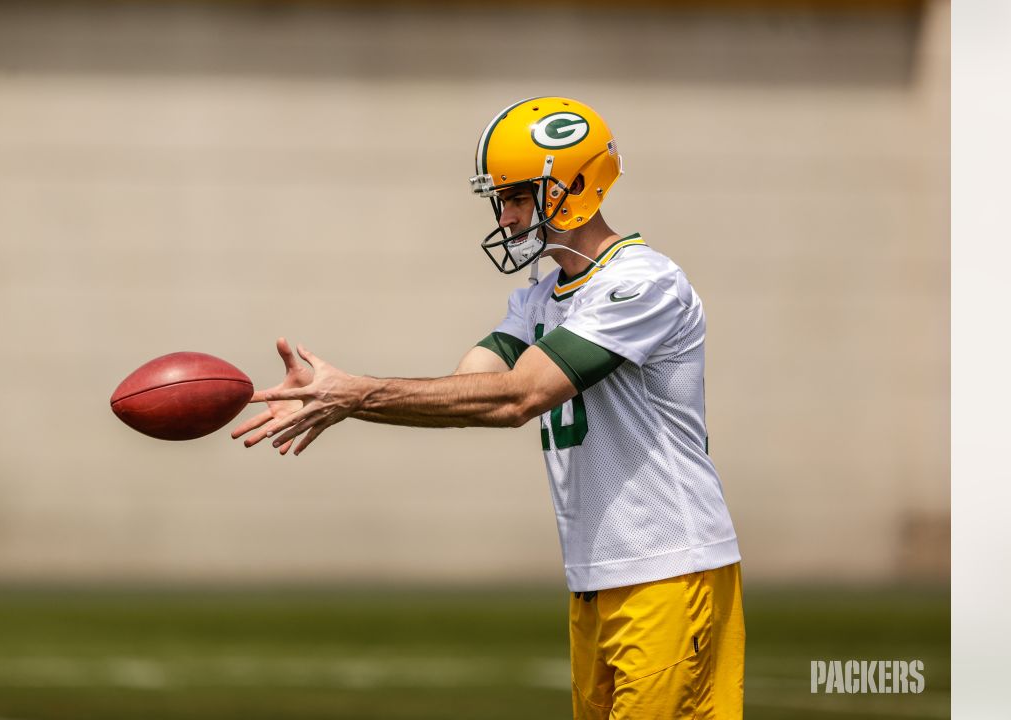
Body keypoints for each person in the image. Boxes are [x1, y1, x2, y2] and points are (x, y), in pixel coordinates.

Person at [234, 97, 744, 718]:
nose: (505, 217)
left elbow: (517, 397)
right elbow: (465, 393)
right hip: (599, 576)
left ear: (573, 187)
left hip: (669, 570)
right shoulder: (538, 299)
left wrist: (356, 392)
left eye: (517, 197)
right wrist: (336, 396)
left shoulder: (642, 283)